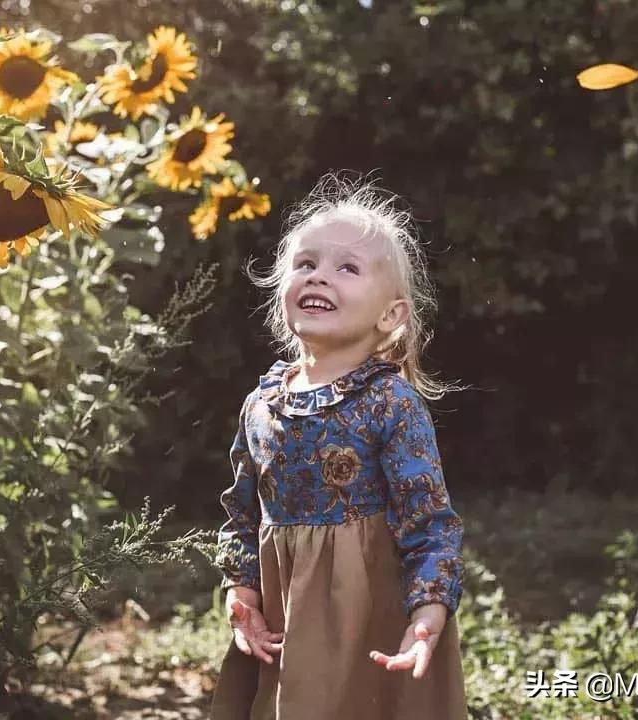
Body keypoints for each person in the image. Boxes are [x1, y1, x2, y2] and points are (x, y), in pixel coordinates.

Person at [208, 172, 470, 719]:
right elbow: (240, 512)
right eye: (306, 264)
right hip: (286, 619)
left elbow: (430, 522)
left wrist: (427, 614)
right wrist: (242, 593)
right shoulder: (262, 402)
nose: (319, 276)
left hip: (366, 617)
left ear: (390, 315)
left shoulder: (389, 403)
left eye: (346, 268)